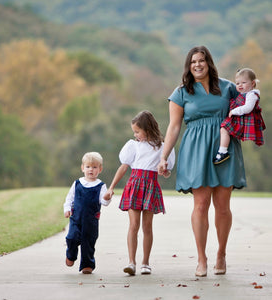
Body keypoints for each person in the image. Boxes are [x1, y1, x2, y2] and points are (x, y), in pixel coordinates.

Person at [157, 46, 246, 277]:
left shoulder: (228, 88)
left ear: (209, 63)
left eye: (202, 61)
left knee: (223, 207)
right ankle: (201, 258)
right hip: (195, 149)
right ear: (188, 66)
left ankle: (221, 254)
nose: (197, 65)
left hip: (224, 148)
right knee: (200, 204)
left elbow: (248, 109)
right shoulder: (181, 93)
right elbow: (174, 127)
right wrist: (164, 156)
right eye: (193, 61)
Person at [103, 110, 175, 276]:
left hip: (150, 186)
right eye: (134, 132)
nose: (135, 135)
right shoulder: (133, 146)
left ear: (147, 130)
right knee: (133, 225)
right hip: (134, 186)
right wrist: (111, 187)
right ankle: (132, 262)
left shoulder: (163, 148)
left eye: (137, 131)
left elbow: (167, 169)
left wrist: (165, 172)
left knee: (147, 227)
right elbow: (124, 167)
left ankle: (145, 263)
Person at [63, 152, 111, 274]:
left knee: (88, 243)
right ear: (82, 167)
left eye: (94, 167)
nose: (91, 170)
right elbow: (69, 198)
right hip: (76, 218)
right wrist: (67, 208)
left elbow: (104, 203)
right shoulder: (77, 183)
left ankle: (87, 264)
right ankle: (71, 255)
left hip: (91, 221)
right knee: (72, 237)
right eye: (88, 167)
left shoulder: (101, 186)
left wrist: (107, 197)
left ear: (100, 169)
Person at [213, 68, 266, 164]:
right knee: (223, 130)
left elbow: (248, 108)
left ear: (253, 83)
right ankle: (222, 150)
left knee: (224, 129)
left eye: (243, 82)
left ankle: (223, 151)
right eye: (237, 83)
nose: (240, 85)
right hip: (238, 119)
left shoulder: (252, 95)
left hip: (241, 120)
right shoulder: (244, 94)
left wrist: (234, 111)